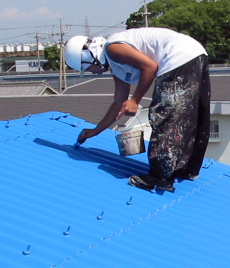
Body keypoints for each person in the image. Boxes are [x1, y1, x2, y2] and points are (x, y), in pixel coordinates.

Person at [64, 28, 211, 192]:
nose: (92, 73)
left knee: (165, 113)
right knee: (190, 115)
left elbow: (150, 66)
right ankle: (186, 169)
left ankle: (158, 176)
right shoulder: (116, 64)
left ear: (90, 57)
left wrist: (135, 100)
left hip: (177, 56)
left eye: (88, 68)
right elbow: (118, 103)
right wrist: (95, 131)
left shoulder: (112, 49)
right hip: (195, 53)